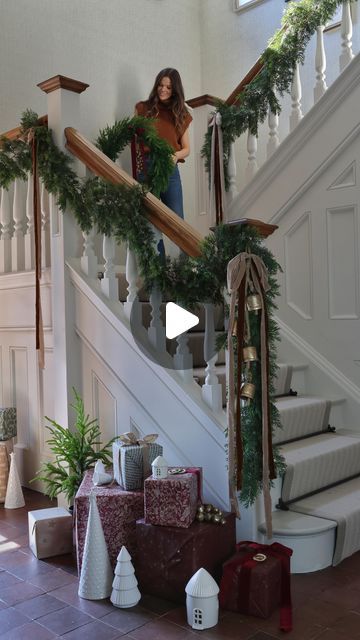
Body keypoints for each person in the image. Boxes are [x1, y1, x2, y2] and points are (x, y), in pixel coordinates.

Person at [135, 68, 192, 220]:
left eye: (168, 87)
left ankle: (184, 245)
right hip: (146, 167)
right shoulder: (142, 108)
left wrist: (174, 155)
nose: (163, 90)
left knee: (177, 220)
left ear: (175, 90)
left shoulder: (181, 114)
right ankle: (158, 246)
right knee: (148, 221)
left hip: (170, 168)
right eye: (160, 85)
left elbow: (187, 149)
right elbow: (134, 141)